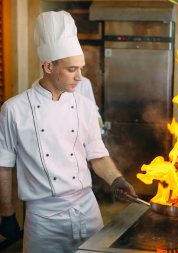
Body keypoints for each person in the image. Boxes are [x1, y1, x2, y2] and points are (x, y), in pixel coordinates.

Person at [0, 11, 136, 253]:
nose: (80, 77)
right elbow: (4, 166)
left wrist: (117, 179)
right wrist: (7, 214)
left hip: (87, 209)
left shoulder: (82, 105)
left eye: (80, 68)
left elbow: (97, 155)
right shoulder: (14, 110)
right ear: (49, 66)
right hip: (44, 220)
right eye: (72, 69)